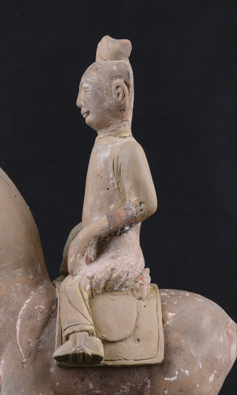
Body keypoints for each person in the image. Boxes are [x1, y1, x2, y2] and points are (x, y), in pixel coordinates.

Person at [53, 36, 158, 366]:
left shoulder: (127, 149)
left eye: (86, 91)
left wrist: (92, 232)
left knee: (73, 286)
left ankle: (82, 341)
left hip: (121, 256)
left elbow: (145, 204)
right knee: (66, 267)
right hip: (99, 249)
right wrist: (81, 236)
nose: (78, 101)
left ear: (118, 94)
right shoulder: (103, 145)